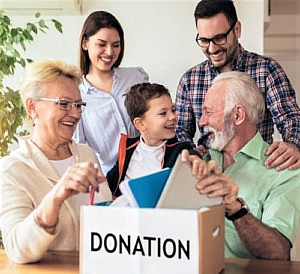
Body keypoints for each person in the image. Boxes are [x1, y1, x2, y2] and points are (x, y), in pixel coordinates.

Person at [0, 60, 112, 264]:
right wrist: (56, 197)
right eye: (64, 104)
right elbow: (17, 249)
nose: (76, 113)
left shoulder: (87, 155)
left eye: (79, 105)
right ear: (32, 107)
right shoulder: (12, 170)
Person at [182, 71, 300, 260]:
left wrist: (236, 209)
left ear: (237, 115)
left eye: (209, 112)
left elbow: (278, 254)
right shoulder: (200, 160)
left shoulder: (283, 170)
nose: (202, 121)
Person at [176, 0, 300, 171]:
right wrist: (193, 154)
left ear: (237, 29)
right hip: (212, 172)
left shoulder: (267, 70)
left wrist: (293, 145)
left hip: (260, 172)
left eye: (219, 38)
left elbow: (290, 118)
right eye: (204, 40)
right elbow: (180, 132)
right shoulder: (190, 80)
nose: (212, 49)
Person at [74, 11, 149, 175]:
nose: (109, 52)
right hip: (107, 182)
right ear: (85, 43)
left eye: (116, 45)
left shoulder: (136, 77)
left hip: (148, 170)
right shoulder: (77, 94)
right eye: (102, 44)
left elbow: (153, 119)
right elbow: (80, 148)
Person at [106, 82, 199, 197]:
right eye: (163, 113)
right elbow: (107, 186)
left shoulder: (181, 150)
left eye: (173, 110)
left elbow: (191, 156)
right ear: (140, 124)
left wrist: (195, 160)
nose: (173, 117)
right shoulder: (127, 149)